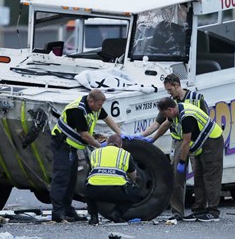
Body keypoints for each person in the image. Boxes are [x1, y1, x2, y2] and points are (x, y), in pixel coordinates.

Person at [50, 89, 124, 223]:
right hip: (62, 144)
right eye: (99, 105)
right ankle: (57, 213)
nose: (100, 108)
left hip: (71, 147)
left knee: (71, 179)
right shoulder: (77, 110)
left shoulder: (94, 107)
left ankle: (68, 210)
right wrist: (100, 146)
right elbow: (84, 135)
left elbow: (107, 118)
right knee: (61, 178)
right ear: (91, 101)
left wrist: (120, 133)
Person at [144, 74, 209, 221]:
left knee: (199, 175)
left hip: (195, 141)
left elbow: (206, 120)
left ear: (177, 85)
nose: (168, 92)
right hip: (179, 142)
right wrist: (143, 136)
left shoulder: (197, 98)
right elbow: (158, 123)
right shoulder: (170, 103)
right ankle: (177, 212)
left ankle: (200, 209)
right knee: (176, 177)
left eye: (170, 89)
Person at [157, 97, 223, 222]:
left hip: (212, 141)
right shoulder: (177, 110)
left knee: (210, 176)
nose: (165, 117)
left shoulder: (186, 117)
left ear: (170, 109)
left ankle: (213, 212)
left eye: (165, 113)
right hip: (201, 144)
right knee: (198, 176)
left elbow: (186, 142)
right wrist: (150, 138)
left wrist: (182, 162)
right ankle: (200, 209)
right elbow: (167, 123)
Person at [85, 134, 139, 225]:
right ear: (120, 145)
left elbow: (90, 172)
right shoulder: (125, 154)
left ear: (107, 143)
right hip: (116, 191)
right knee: (136, 193)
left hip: (95, 191)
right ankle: (116, 213)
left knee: (87, 186)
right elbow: (133, 176)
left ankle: (93, 217)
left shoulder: (95, 153)